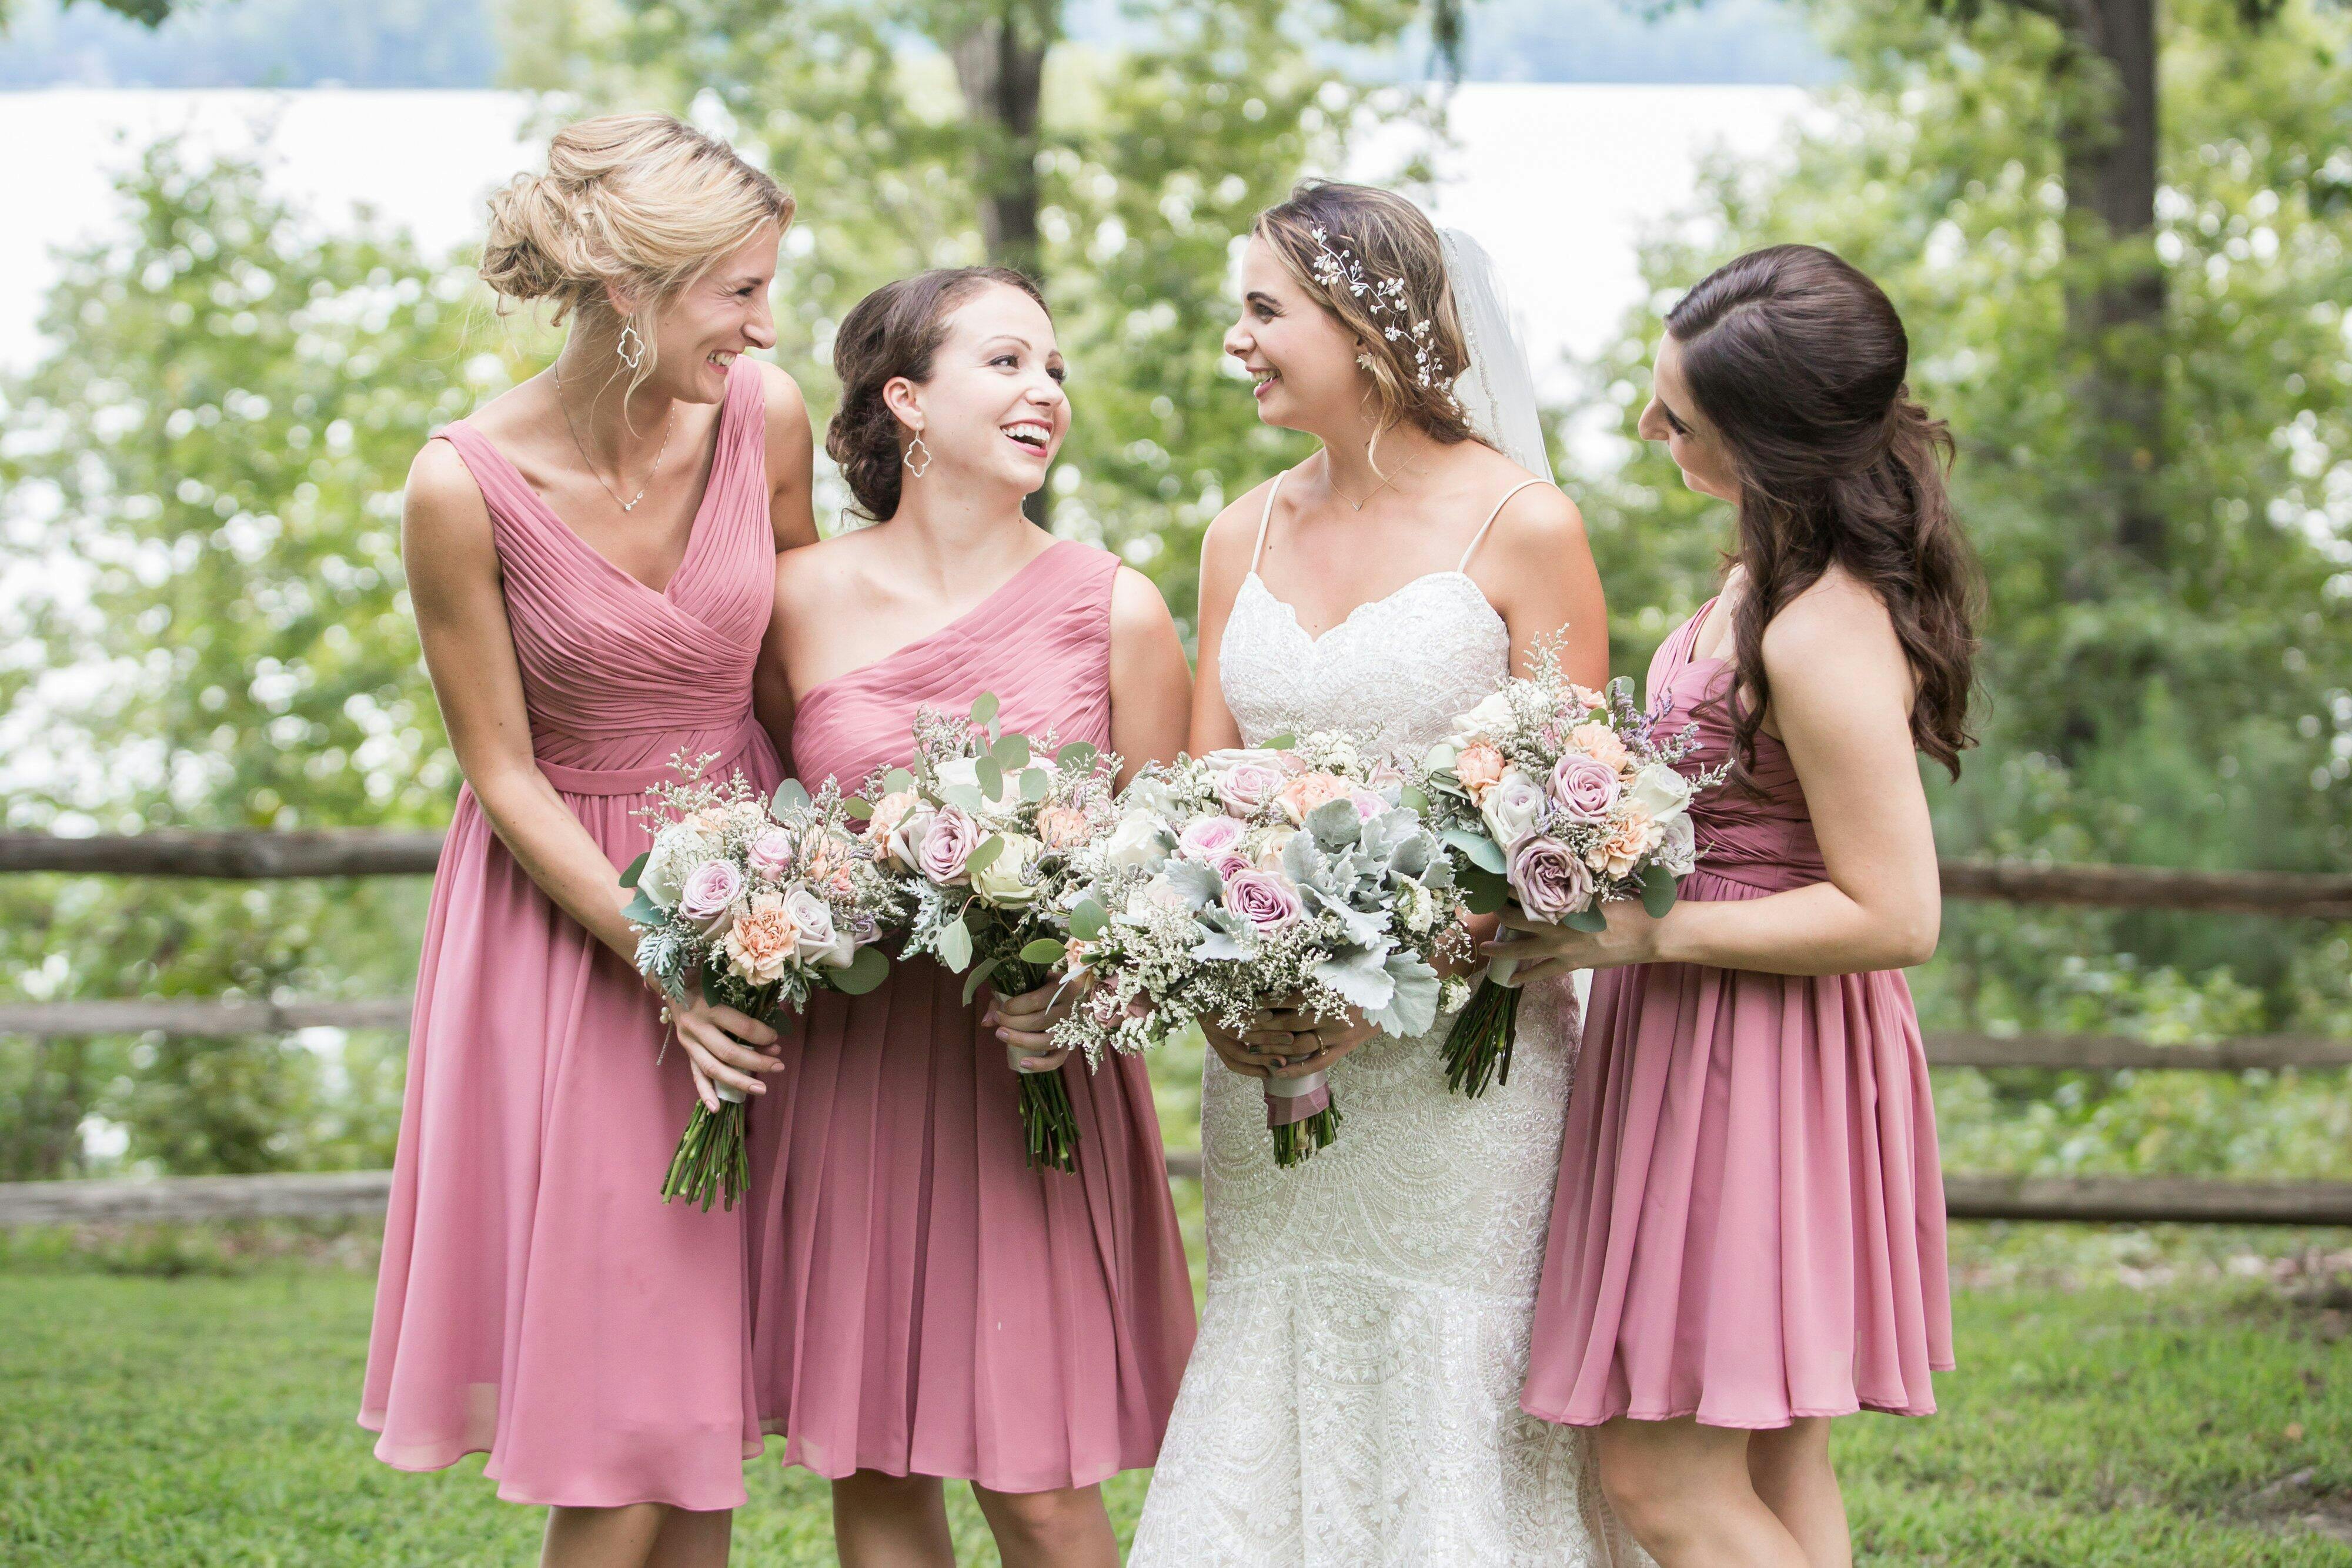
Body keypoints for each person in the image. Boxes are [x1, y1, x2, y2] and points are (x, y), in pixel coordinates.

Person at [1128, 180, 1635, 1566]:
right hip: (1273, 1057)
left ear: (1361, 325)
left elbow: (1566, 822)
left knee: (1451, 1368)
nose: (1235, 340)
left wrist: (1395, 972)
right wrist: (1231, 979)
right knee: (1276, 1329)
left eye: (1262, 310)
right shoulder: (1239, 531)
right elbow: (1197, 798)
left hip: (1466, 1070)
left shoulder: (1522, 525)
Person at [361, 113, 817, 1568]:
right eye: (738, 290)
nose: (763, 325)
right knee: (627, 1416)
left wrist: (849, 879)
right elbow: (499, 769)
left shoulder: (764, 417)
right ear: (628, 287)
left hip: (758, 913)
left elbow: (802, 681)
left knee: (689, 1413)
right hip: (569, 929)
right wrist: (660, 956)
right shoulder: (459, 485)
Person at [1514, 243, 1975, 1568]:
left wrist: (1658, 930)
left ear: (1767, 443)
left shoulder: (1820, 626)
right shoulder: (1767, 570)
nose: (1646, 429)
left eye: (1677, 416)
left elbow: (1898, 913)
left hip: (1757, 1054)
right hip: (1710, 1030)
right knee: (1773, 1453)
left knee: (1658, 1475)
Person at [746, 266, 1197, 1567]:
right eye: (1006, 362)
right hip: (857, 1062)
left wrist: (1083, 987)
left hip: (1029, 1070)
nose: (1044, 390)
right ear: (906, 401)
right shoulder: (794, 598)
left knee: (1038, 1484)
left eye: (1054, 368)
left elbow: (1161, 878)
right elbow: (778, 808)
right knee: (877, 1461)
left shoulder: (1116, 606)